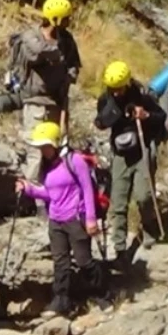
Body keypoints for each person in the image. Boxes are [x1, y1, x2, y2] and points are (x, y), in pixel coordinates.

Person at [17, 122, 109, 317]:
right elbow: (50, 194)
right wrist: (28, 189)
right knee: (60, 262)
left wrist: (91, 219)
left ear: (56, 142)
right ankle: (61, 301)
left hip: (76, 218)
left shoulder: (74, 161)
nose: (42, 149)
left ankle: (101, 294)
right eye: (40, 146)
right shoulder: (47, 166)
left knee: (84, 261)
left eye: (45, 145)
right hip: (56, 220)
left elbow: (87, 189)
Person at [93, 60, 167, 264]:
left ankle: (150, 230)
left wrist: (146, 115)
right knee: (118, 201)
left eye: (119, 89)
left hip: (142, 149)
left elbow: (161, 117)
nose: (116, 93)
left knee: (144, 196)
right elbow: (100, 121)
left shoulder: (142, 97)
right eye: (112, 89)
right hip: (121, 155)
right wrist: (113, 113)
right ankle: (119, 248)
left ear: (126, 83)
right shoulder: (106, 100)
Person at [10, 0, 81, 139]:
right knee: (35, 153)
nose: (69, 22)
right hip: (35, 104)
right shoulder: (31, 37)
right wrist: (57, 54)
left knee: (54, 154)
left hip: (56, 104)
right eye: (66, 18)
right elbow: (38, 51)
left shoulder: (66, 40)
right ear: (55, 19)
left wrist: (70, 75)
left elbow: (74, 63)